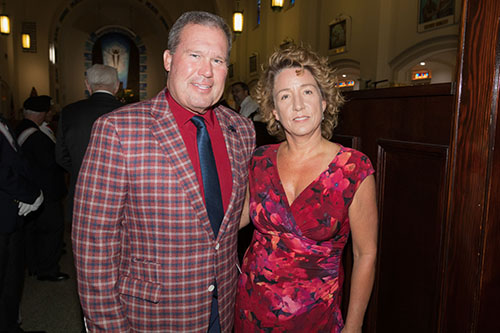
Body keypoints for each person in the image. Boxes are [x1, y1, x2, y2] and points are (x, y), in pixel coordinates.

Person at [72, 11, 255, 332]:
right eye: (195, 55)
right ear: (169, 59)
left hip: (223, 311)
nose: (206, 72)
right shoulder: (118, 130)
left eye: (218, 60)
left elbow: (231, 220)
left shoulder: (241, 130)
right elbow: (93, 249)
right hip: (151, 317)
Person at [234, 44, 378, 332]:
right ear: (274, 110)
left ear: (324, 101)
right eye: (285, 96)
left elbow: (365, 255)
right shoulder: (259, 160)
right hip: (250, 313)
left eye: (307, 92)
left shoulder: (353, 168)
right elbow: (230, 222)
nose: (298, 105)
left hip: (316, 320)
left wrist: (353, 326)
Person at [55, 64, 122, 223]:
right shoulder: (132, 112)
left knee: (82, 245)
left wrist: (82, 169)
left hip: (82, 195)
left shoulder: (69, 112)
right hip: (120, 198)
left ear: (87, 84)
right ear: (117, 86)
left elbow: (60, 156)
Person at [16, 95, 69, 282]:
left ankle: (35, 264)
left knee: (36, 231)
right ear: (41, 114)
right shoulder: (36, 137)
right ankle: (48, 269)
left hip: (33, 190)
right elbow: (49, 164)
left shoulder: (23, 128)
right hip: (45, 192)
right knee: (51, 230)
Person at [0, 114, 43, 331]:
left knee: (12, 279)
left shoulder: (4, 122)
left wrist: (34, 189)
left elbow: (19, 160)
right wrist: (32, 194)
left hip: (11, 216)